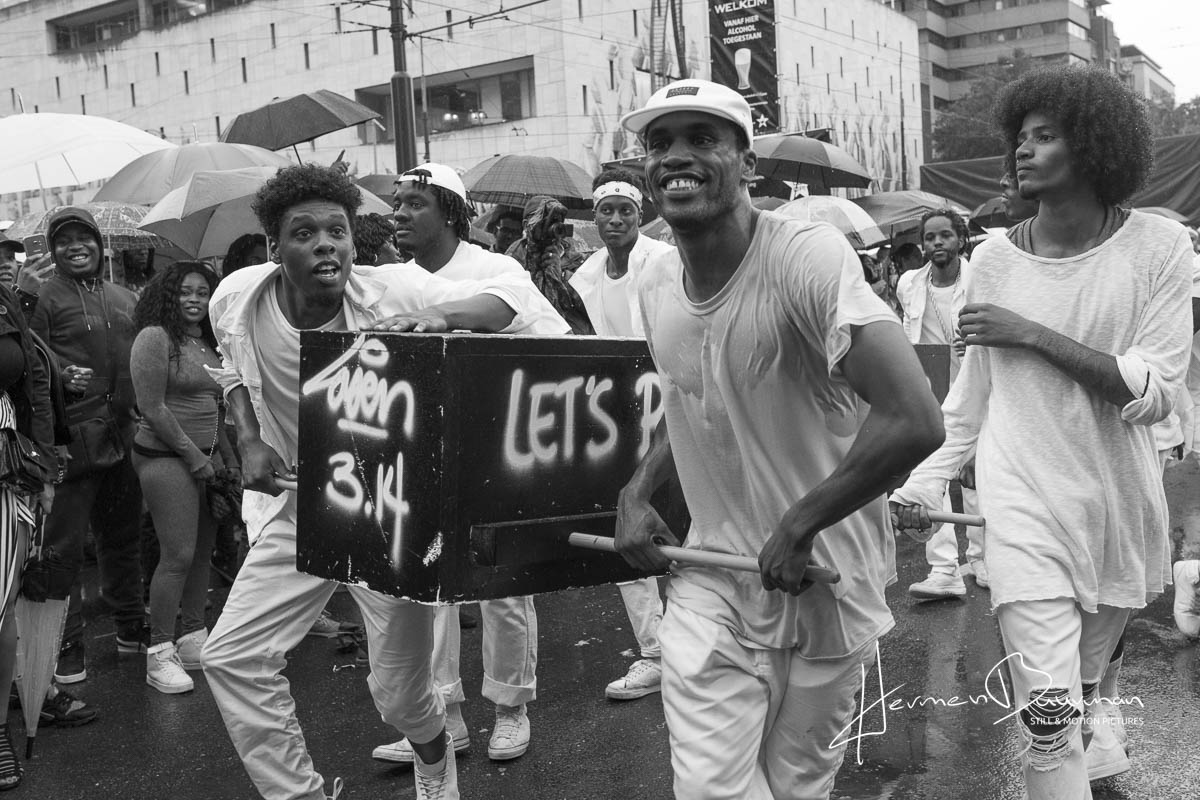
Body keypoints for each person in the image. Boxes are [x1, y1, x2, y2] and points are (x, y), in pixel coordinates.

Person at [615, 79, 944, 800]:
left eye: (703, 139)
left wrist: (800, 524)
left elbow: (914, 417)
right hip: (713, 575)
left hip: (825, 579)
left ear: (747, 164)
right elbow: (696, 398)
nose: (676, 156)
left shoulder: (804, 257)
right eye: (660, 143)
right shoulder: (656, 281)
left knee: (798, 787)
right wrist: (638, 491)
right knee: (711, 790)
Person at [199, 163, 558, 800]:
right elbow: (231, 367)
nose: (325, 246)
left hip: (387, 519)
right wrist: (249, 438)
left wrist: (441, 316)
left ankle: (434, 759)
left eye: (336, 231)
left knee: (401, 695)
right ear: (274, 246)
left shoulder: (390, 289)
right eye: (304, 233)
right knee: (230, 657)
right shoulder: (235, 297)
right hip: (302, 507)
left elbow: (513, 298)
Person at [890, 66, 1192, 800]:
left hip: (1117, 510)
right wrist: (925, 481)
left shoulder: (1159, 247)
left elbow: (1155, 392)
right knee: (1048, 723)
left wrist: (1029, 331)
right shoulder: (993, 258)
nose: (1023, 151)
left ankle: (1091, 726)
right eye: (1020, 137)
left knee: (1078, 704)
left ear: (1094, 146)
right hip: (1021, 506)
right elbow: (971, 396)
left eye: (1046, 136)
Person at [369, 163, 567, 768]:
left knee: (500, 587)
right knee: (430, 590)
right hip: (423, 457)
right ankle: (444, 717)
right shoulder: (390, 279)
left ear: (451, 212)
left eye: (415, 203)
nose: (399, 213)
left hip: (500, 452)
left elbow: (501, 308)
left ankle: (510, 709)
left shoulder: (495, 267)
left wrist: (442, 317)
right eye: (397, 203)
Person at [568, 166, 675, 701]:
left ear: (641, 215)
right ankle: (654, 653)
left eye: (625, 211)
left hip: (674, 406)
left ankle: (698, 644)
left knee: (686, 524)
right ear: (594, 218)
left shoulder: (664, 261)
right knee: (626, 526)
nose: (615, 220)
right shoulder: (585, 274)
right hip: (617, 417)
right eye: (606, 211)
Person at [28, 207, 146, 685]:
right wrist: (60, 372)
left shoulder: (122, 295)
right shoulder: (43, 296)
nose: (76, 246)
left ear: (100, 244)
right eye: (64, 240)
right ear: (52, 250)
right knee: (64, 548)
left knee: (123, 539)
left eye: (84, 237)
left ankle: (131, 627)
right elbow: (27, 354)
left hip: (124, 433)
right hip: (72, 438)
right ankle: (66, 645)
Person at [130, 261, 238, 694]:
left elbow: (217, 409)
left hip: (206, 460)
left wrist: (227, 461)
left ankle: (193, 638)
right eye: (185, 291)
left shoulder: (209, 343)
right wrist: (195, 458)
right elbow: (152, 408)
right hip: (164, 458)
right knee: (177, 555)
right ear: (167, 296)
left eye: (202, 292)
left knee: (202, 553)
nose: (194, 299)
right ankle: (159, 652)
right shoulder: (154, 337)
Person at [894, 208, 984, 599]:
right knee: (931, 475)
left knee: (975, 475)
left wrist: (975, 343)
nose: (937, 243)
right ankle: (944, 569)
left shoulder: (979, 278)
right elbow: (906, 331)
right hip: (929, 389)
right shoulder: (909, 283)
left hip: (972, 384)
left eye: (945, 235)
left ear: (960, 239)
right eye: (929, 238)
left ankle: (983, 559)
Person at [0, 278, 57, 790]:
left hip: (5, 469)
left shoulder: (4, 300)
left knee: (0, 607)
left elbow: (33, 385)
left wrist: (44, 470)